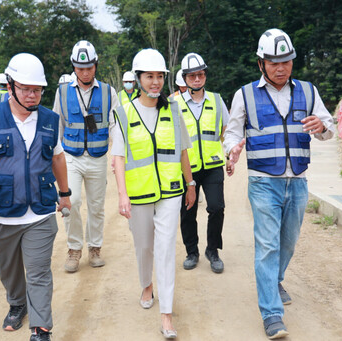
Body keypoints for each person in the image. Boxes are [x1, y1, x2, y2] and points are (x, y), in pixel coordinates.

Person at [224, 28, 334, 339]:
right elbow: (232, 133)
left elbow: (329, 129)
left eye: (286, 61)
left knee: (288, 243)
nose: (281, 67)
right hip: (263, 183)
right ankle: (272, 314)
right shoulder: (244, 95)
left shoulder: (309, 92)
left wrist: (321, 127)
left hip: (297, 182)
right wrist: (231, 151)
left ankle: (275, 279)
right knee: (268, 246)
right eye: (273, 62)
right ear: (261, 63)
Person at [0, 53, 70, 341]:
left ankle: (41, 328)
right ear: (10, 86)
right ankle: (17, 302)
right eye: (26, 89)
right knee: (8, 269)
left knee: (39, 272)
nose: (33, 96)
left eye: (38, 90)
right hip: (0, 211)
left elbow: (57, 158)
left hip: (41, 212)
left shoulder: (50, 120)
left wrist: (65, 193)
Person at [113, 48, 196, 339]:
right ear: (138, 79)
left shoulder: (173, 110)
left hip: (171, 191)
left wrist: (190, 183)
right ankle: (146, 284)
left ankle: (167, 315)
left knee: (165, 249)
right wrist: (122, 195)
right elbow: (119, 158)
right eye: (149, 76)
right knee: (144, 246)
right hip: (138, 195)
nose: (155, 81)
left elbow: (183, 149)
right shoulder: (123, 113)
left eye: (160, 76)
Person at [52, 40, 119, 273]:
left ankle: (95, 247)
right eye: (80, 68)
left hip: (98, 157)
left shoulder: (109, 92)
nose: (85, 72)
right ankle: (74, 248)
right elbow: (56, 126)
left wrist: (117, 154)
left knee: (97, 206)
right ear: (73, 67)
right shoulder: (61, 92)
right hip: (70, 157)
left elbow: (115, 126)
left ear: (96, 66)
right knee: (72, 202)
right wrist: (54, 159)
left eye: (89, 67)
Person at [173, 52, 230, 274]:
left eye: (201, 74)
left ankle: (212, 251)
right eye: (192, 76)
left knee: (217, 207)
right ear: (185, 78)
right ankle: (192, 252)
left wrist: (228, 154)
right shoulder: (173, 103)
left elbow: (226, 128)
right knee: (188, 211)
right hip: (186, 167)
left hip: (213, 164)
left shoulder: (216, 100)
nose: (197, 79)